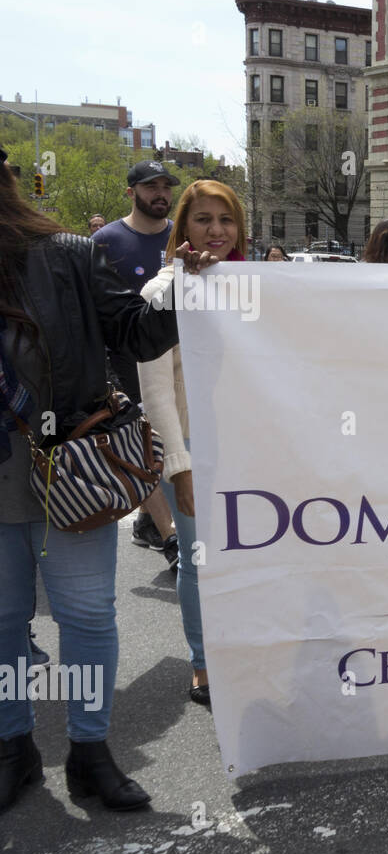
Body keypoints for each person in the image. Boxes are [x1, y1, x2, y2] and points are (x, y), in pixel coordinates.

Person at [0, 145, 178, 814]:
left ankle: (90, 752)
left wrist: (191, 280)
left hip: (67, 471)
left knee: (86, 618)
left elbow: (134, 331)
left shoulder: (69, 254)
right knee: (3, 621)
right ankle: (13, 747)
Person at [137, 180, 248, 707]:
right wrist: (180, 468)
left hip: (253, 444)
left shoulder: (257, 286)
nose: (216, 231)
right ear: (183, 228)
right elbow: (156, 392)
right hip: (193, 446)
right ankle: (204, 661)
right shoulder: (163, 292)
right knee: (200, 559)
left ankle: (250, 650)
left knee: (251, 552)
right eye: (204, 219)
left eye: (226, 220)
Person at [94, 159, 183, 572]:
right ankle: (173, 541)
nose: (161, 193)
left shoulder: (182, 236)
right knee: (144, 444)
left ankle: (150, 520)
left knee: (172, 447)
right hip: (126, 363)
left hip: (182, 362)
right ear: (131, 193)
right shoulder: (106, 241)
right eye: (151, 186)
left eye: (166, 186)